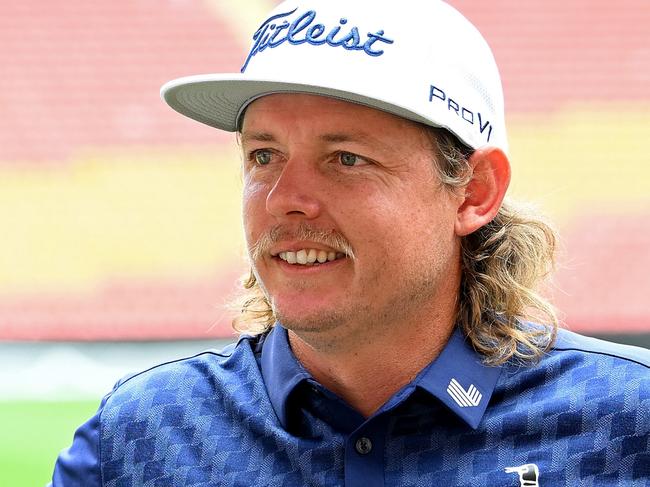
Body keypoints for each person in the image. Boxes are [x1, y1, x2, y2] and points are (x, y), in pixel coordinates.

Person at [50, 1, 649, 486]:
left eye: (346, 158)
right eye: (264, 154)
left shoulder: (627, 422)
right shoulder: (137, 439)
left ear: (473, 192)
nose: (286, 198)